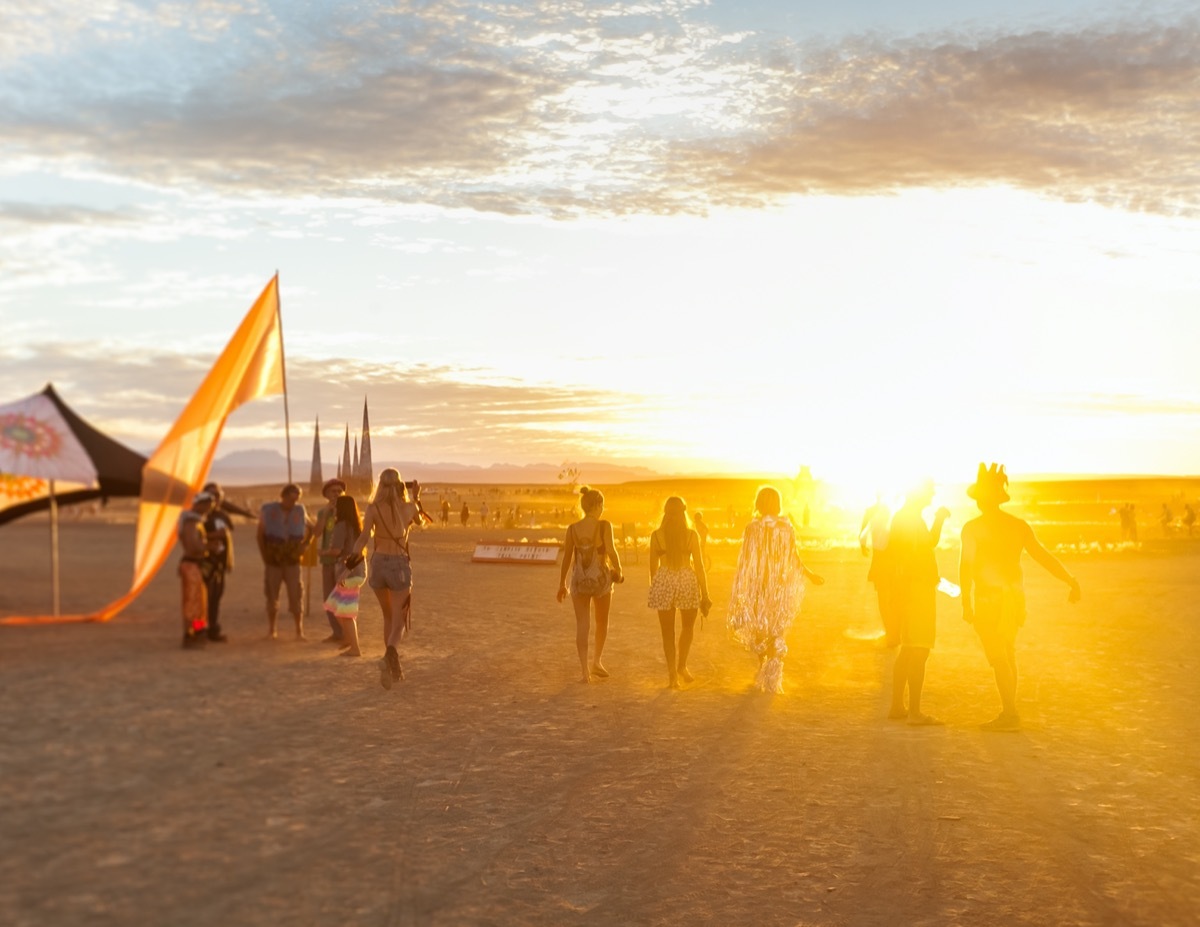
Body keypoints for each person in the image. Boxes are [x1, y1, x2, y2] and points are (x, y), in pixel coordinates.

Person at [960, 463, 1081, 732]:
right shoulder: (1018, 526)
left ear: (980, 499)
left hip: (990, 599)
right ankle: (1009, 712)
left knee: (998, 657)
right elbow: (1043, 557)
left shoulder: (972, 528)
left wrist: (965, 602)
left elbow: (966, 566)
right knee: (1008, 653)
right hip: (1015, 597)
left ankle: (1010, 715)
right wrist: (1070, 580)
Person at [728, 486, 823, 694]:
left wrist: (741, 586)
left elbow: (745, 562)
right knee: (774, 630)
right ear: (777, 504)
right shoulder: (785, 528)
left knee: (761, 630)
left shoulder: (752, 528)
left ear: (759, 504)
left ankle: (766, 668)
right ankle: (770, 674)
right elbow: (794, 559)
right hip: (778, 588)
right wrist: (810, 575)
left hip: (758, 587)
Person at [347, 468, 424, 689]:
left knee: (387, 616)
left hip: (378, 564)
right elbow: (419, 521)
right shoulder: (408, 507)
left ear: (379, 485)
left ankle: (392, 667)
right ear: (401, 485)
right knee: (399, 619)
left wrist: (350, 563)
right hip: (398, 564)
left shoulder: (373, 508)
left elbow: (363, 538)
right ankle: (389, 655)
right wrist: (415, 496)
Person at [886, 480, 949, 725]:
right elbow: (922, 547)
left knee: (909, 648)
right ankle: (914, 712)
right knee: (919, 649)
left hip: (909, 587)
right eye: (931, 493)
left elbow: (919, 546)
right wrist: (941, 518)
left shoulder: (905, 516)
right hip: (917, 588)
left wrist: (939, 519)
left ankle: (897, 707)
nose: (932, 497)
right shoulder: (909, 518)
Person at [556, 486, 624, 683]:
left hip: (579, 579)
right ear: (597, 505)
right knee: (602, 621)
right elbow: (611, 550)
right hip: (601, 579)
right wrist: (618, 569)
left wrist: (562, 584)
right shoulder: (605, 526)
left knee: (582, 624)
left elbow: (567, 559)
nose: (603, 509)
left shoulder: (572, 529)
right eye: (602, 505)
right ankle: (597, 661)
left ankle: (584, 671)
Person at [647, 497, 710, 688]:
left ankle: (672, 676)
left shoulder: (656, 535)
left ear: (665, 512)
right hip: (686, 580)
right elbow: (699, 567)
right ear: (684, 512)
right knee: (687, 627)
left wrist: (656, 588)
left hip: (664, 579)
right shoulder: (691, 535)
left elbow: (653, 568)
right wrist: (705, 594)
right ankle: (682, 665)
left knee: (667, 634)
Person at [257, 483, 311, 641]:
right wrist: (265, 556)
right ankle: (272, 630)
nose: (293, 502)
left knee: (296, 595)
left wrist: (305, 545)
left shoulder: (300, 511)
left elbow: (311, 528)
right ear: (283, 496)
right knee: (272, 595)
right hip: (273, 560)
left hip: (293, 561)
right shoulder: (268, 510)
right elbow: (260, 535)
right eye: (291, 498)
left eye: (296, 498)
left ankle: (299, 631)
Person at [323, 494, 366, 657]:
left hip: (347, 571)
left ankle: (355, 648)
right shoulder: (356, 525)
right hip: (358, 569)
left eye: (336, 505)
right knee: (335, 606)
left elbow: (336, 550)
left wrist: (323, 551)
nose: (334, 508)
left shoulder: (342, 525)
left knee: (345, 612)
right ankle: (349, 640)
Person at [860, 494, 898, 647]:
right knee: (891, 599)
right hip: (893, 561)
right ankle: (893, 633)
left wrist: (863, 543)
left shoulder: (874, 512)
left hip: (883, 561)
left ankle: (891, 634)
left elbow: (864, 531)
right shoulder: (893, 512)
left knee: (884, 600)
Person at [178, 491, 215, 649]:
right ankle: (190, 634)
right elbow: (194, 546)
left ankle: (198, 632)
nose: (208, 508)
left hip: (194, 565)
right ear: (199, 504)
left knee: (200, 602)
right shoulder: (191, 523)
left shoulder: (194, 522)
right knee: (192, 602)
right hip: (191, 565)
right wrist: (209, 547)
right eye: (207, 505)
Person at [200, 481, 235, 643]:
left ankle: (212, 629)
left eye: (218, 495)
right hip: (205, 563)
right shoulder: (200, 515)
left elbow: (227, 534)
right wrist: (214, 535)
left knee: (215, 599)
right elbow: (193, 537)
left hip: (220, 565)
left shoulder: (222, 515)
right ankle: (199, 630)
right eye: (211, 494)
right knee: (202, 599)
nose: (215, 498)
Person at [314, 478, 347, 644]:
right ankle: (337, 632)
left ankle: (348, 633)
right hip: (327, 561)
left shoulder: (346, 512)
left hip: (342, 562)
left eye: (340, 491)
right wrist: (327, 512)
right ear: (326, 494)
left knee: (343, 599)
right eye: (333, 491)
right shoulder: (322, 513)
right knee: (329, 599)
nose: (337, 494)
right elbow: (317, 533)